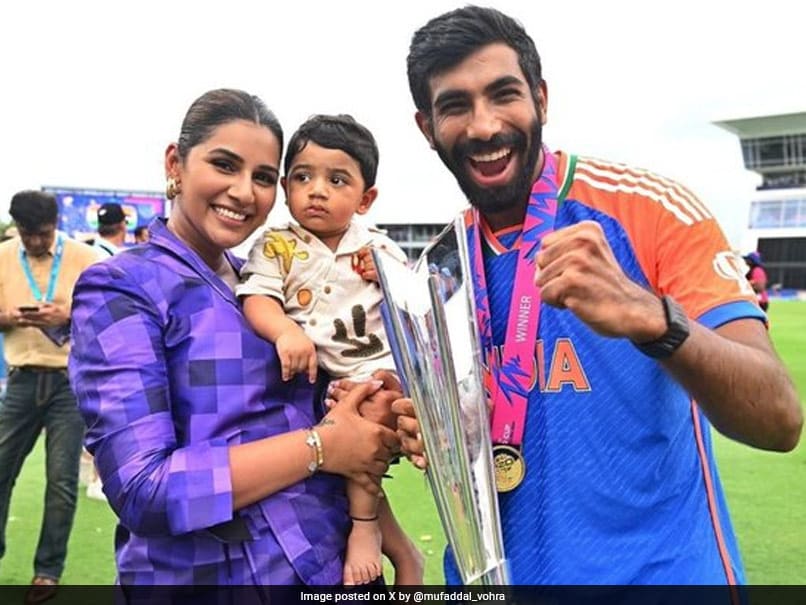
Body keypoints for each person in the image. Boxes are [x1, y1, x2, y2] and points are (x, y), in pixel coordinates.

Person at [393, 6, 803, 585]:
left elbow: (779, 420)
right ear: (427, 127)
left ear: (540, 98)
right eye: (455, 105)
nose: (483, 126)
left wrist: (654, 320)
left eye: (503, 94)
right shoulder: (439, 269)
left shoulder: (650, 211)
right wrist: (431, 432)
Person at [68, 89, 413, 586]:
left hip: (333, 564)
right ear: (176, 163)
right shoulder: (124, 286)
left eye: (264, 177)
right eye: (224, 165)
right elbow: (144, 489)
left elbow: (336, 428)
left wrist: (400, 549)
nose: (244, 192)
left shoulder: (268, 284)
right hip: (216, 578)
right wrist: (318, 447)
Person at [237, 114, 420, 585]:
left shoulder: (378, 246)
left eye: (336, 180)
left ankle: (367, 530)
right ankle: (382, 538)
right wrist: (284, 331)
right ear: (284, 186)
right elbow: (257, 296)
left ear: (365, 199)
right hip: (328, 383)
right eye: (303, 177)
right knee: (351, 432)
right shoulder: (277, 244)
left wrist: (389, 279)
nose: (317, 190)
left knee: (375, 410)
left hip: (380, 372)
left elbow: (417, 306)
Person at [0, 190, 100, 603]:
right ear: (15, 228)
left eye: (41, 234)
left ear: (55, 225)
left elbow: (106, 318)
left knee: (61, 481)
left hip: (67, 383)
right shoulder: (4, 255)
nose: (35, 243)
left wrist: (67, 316)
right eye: (27, 234)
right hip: (21, 379)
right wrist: (7, 317)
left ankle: (48, 571)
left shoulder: (87, 258)